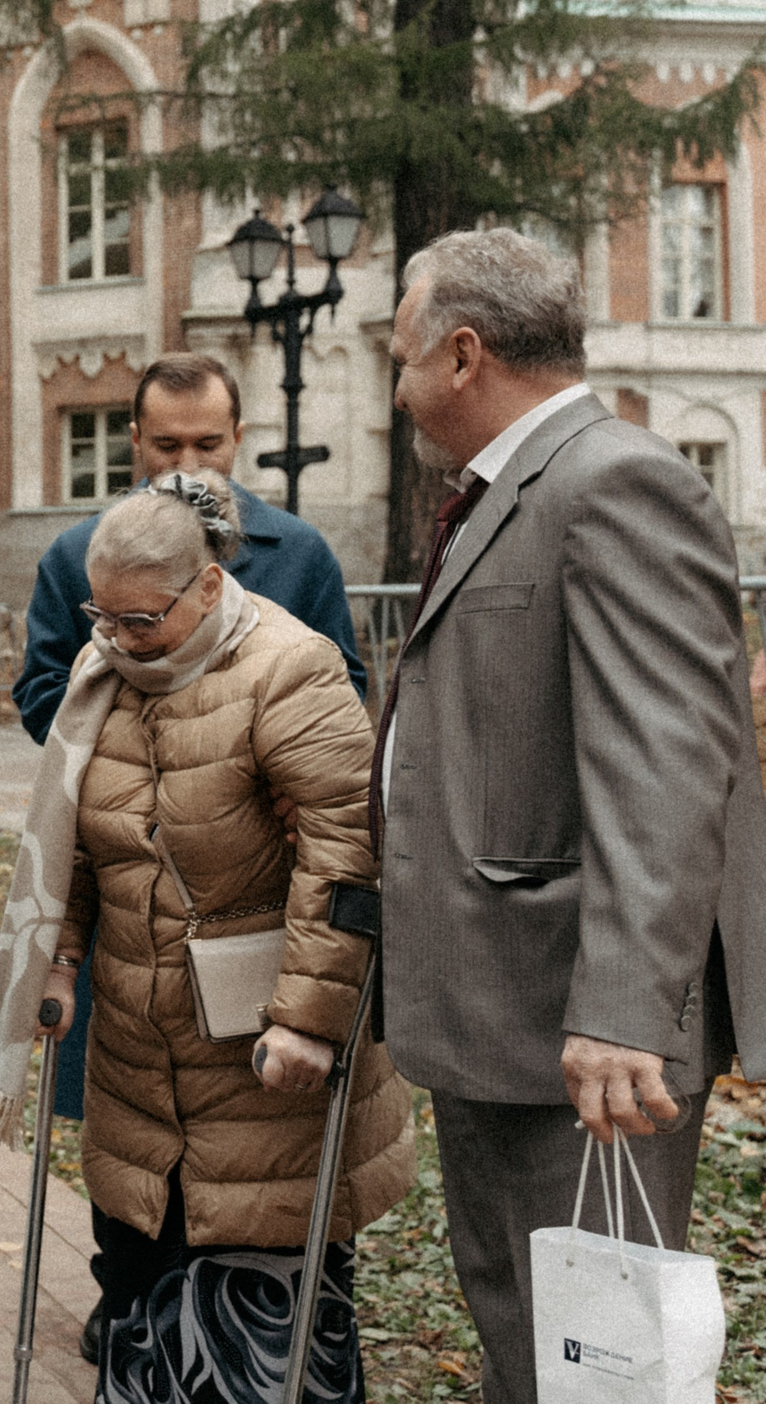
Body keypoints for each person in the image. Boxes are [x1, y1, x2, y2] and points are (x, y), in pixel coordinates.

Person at [380, 229, 766, 1404]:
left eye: (399, 360)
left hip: (581, 1033)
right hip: (504, 1009)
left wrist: (621, 1013)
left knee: (594, 1355)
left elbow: (668, 764)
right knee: (527, 1328)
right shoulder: (516, 489)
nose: (392, 388)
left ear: (461, 354)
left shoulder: (616, 481)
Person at [0, 471, 412, 1404]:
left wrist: (309, 1021)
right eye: (104, 616)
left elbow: (349, 856)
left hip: (262, 1058)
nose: (118, 639)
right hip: (138, 1045)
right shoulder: (106, 677)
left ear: (209, 586)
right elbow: (85, 843)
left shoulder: (292, 668)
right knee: (142, 1293)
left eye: (143, 619)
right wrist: (59, 954)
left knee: (269, 1319)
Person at [10, 352, 367, 1358]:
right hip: (136, 894)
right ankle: (131, 1309)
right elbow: (50, 693)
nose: (187, 462)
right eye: (166, 444)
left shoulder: (293, 551)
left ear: (235, 439)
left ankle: (248, 1341)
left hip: (251, 909)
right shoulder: (86, 551)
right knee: (134, 1139)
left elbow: (340, 710)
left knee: (258, 1172)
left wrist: (243, 768)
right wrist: (131, 754)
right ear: (134, 443)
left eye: (206, 443)